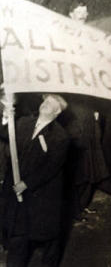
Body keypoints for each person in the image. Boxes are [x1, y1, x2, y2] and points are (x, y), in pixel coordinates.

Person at [2, 94, 70, 267]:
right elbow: (5, 133)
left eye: (51, 104)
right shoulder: (25, 122)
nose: (45, 105)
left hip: (41, 196)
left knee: (47, 238)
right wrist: (5, 114)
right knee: (19, 236)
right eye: (45, 101)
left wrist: (27, 183)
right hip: (17, 191)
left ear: (57, 112)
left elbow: (51, 168)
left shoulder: (60, 137)